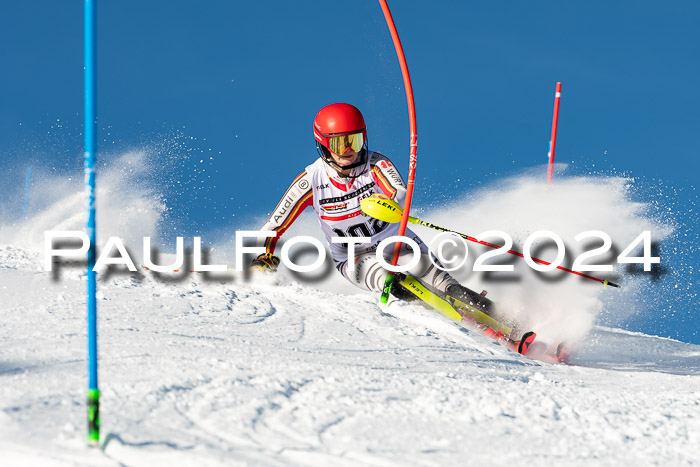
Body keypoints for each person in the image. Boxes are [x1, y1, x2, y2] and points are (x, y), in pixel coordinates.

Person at [250, 103, 495, 316]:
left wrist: (388, 205)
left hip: (396, 242)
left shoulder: (376, 163)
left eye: (354, 140)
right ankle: (445, 320)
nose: (349, 150)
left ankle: (506, 323)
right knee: (394, 282)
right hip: (353, 258)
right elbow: (274, 226)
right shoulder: (311, 181)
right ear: (324, 145)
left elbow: (398, 192)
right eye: (339, 143)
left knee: (444, 284)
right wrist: (263, 257)